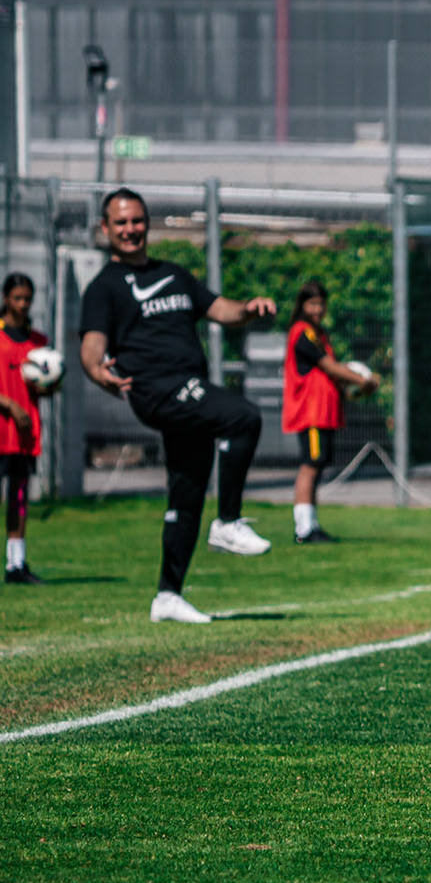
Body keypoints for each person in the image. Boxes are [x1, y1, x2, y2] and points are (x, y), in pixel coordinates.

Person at [79, 189, 277, 623]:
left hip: (187, 388)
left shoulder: (174, 274)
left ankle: (167, 596)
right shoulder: (104, 287)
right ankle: (227, 522)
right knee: (242, 417)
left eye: (136, 221)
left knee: (186, 492)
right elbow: (91, 347)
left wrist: (249, 309)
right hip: (157, 389)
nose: (130, 229)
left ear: (146, 224)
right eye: (120, 222)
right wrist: (98, 372)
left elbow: (220, 309)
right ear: (106, 229)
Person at [282, 280, 378, 544]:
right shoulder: (303, 333)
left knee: (318, 464)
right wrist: (362, 380)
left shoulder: (318, 333)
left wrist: (356, 389)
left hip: (323, 412)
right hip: (310, 412)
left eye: (321, 304)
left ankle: (311, 525)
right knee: (310, 465)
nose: (317, 309)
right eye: (312, 304)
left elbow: (331, 375)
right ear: (302, 305)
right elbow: (329, 367)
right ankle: (303, 529)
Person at [0, 272, 51, 584]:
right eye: (17, 298)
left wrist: (47, 387)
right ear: (6, 298)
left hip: (24, 432)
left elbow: (43, 382)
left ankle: (15, 565)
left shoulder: (39, 342)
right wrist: (9, 405)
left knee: (19, 496)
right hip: (3, 426)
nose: (22, 304)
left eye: (27, 299)